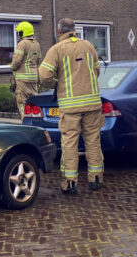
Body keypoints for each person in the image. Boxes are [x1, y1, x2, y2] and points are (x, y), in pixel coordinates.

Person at [38, 17, 104, 194]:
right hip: (92, 104)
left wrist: (57, 82)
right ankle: (96, 179)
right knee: (93, 142)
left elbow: (43, 76)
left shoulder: (57, 49)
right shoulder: (89, 46)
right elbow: (97, 70)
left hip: (70, 107)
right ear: (73, 29)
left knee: (69, 144)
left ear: (60, 31)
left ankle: (70, 183)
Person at [10, 21, 41, 121]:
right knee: (34, 102)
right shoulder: (37, 44)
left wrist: (12, 68)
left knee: (22, 102)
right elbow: (38, 60)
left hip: (22, 79)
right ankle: (36, 121)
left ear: (22, 33)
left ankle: (25, 123)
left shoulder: (22, 44)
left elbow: (16, 61)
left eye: (19, 32)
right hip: (34, 78)